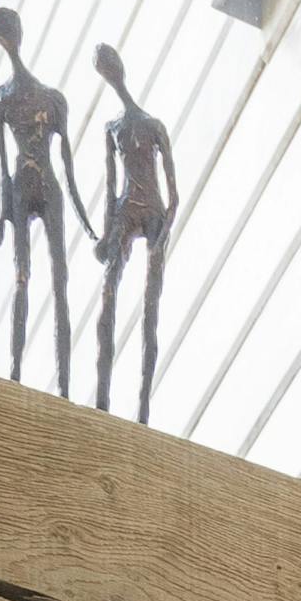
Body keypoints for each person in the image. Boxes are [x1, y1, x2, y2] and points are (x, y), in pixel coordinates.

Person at [0, 2, 83, 398]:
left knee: (58, 278)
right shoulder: (2, 98)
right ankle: (15, 374)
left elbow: (69, 166)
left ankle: (63, 385)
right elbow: (4, 159)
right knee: (24, 275)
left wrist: (87, 223)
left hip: (42, 185)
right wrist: (0, 213)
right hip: (23, 186)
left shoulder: (51, 99)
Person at [88, 40, 172, 420]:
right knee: (109, 296)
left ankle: (142, 410)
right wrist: (107, 236)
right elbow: (109, 187)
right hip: (124, 211)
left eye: (110, 66)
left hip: (153, 212)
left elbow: (175, 194)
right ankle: (102, 401)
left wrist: (165, 228)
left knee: (150, 309)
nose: (110, 74)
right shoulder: (112, 129)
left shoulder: (154, 127)